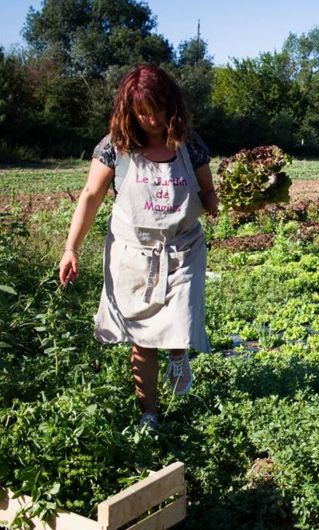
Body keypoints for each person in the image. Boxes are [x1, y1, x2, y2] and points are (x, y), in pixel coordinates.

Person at [58, 64, 219, 430]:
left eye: (158, 110)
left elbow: (207, 191)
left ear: (171, 105)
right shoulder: (115, 147)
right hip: (132, 254)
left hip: (182, 248)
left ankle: (178, 355)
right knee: (142, 340)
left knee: (181, 321)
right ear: (129, 110)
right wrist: (71, 248)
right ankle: (149, 415)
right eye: (142, 111)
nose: (151, 119)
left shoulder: (189, 144)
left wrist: (218, 203)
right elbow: (90, 196)